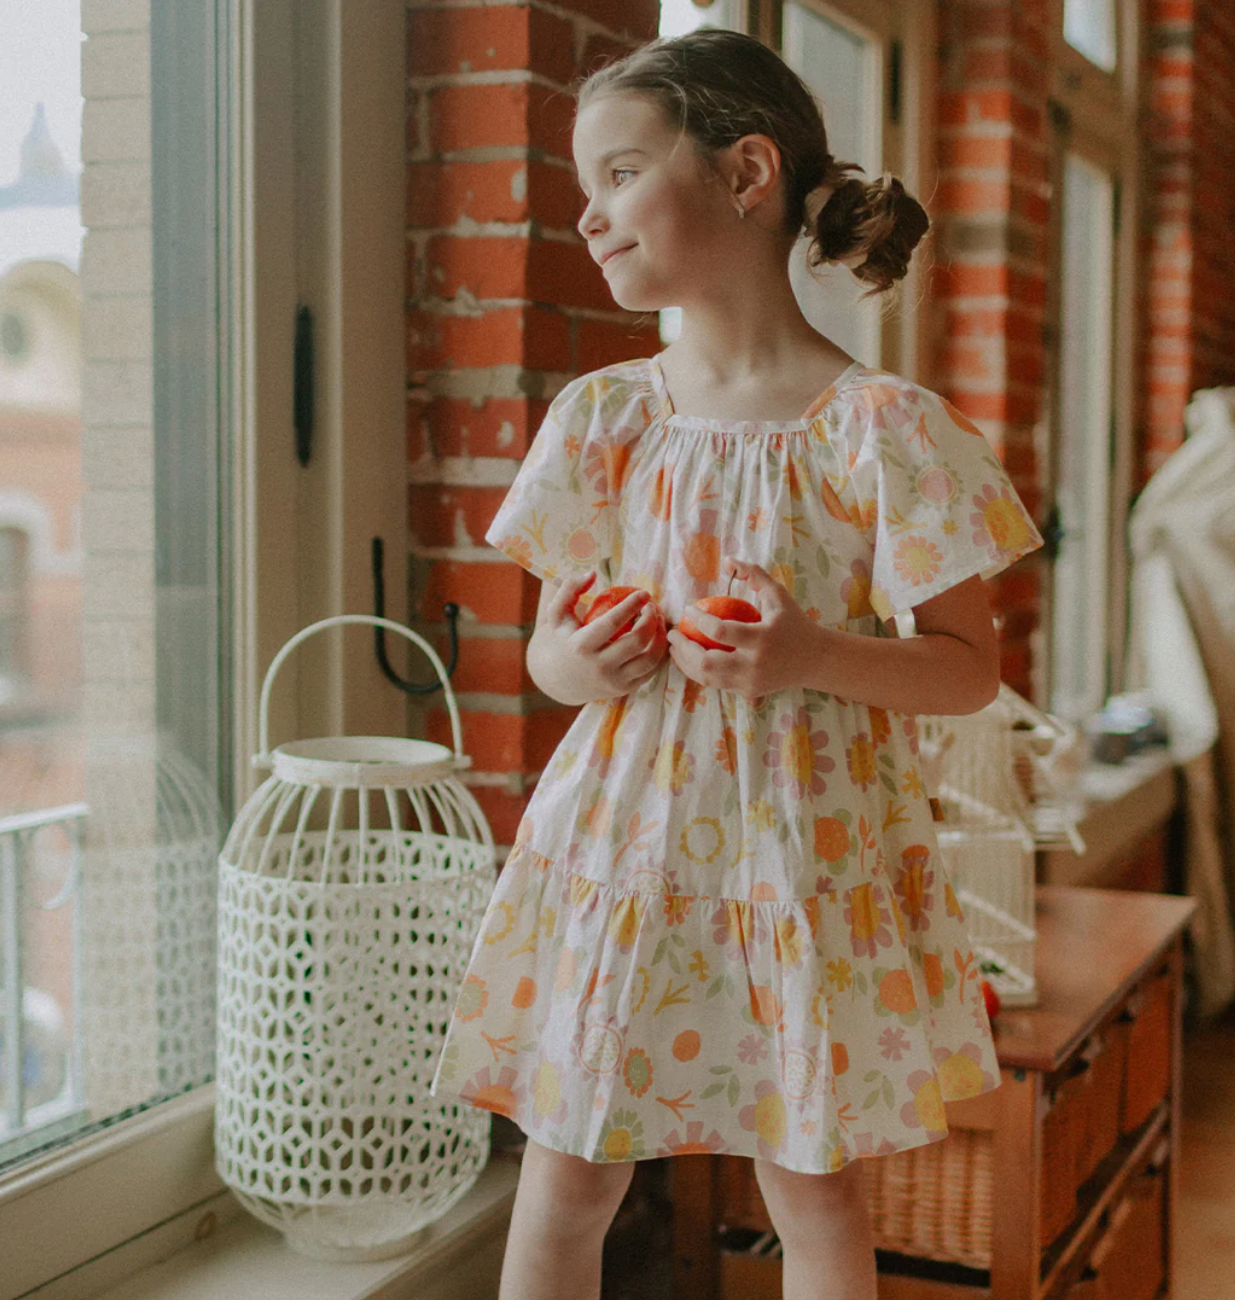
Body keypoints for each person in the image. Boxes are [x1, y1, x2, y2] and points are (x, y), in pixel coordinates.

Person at [428, 28, 1043, 1300]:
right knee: (566, 1176)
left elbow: (967, 670)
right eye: (582, 186)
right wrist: (581, 659)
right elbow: (546, 655)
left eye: (619, 173)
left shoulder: (883, 433)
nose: (590, 216)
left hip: (805, 869)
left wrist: (811, 651)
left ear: (746, 170)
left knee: (812, 1185)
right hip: (622, 857)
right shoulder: (602, 418)